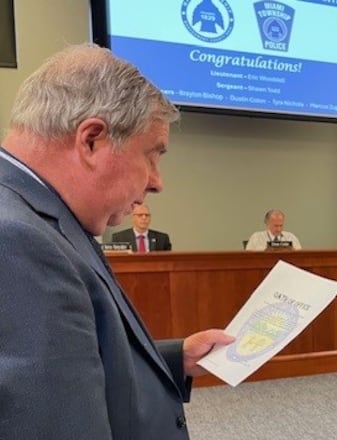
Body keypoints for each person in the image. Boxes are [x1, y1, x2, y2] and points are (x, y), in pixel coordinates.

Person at [0, 44, 234, 439]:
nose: (157, 182)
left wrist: (174, 360)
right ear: (91, 140)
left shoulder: (38, 213)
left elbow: (64, 367)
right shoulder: (18, 240)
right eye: (152, 155)